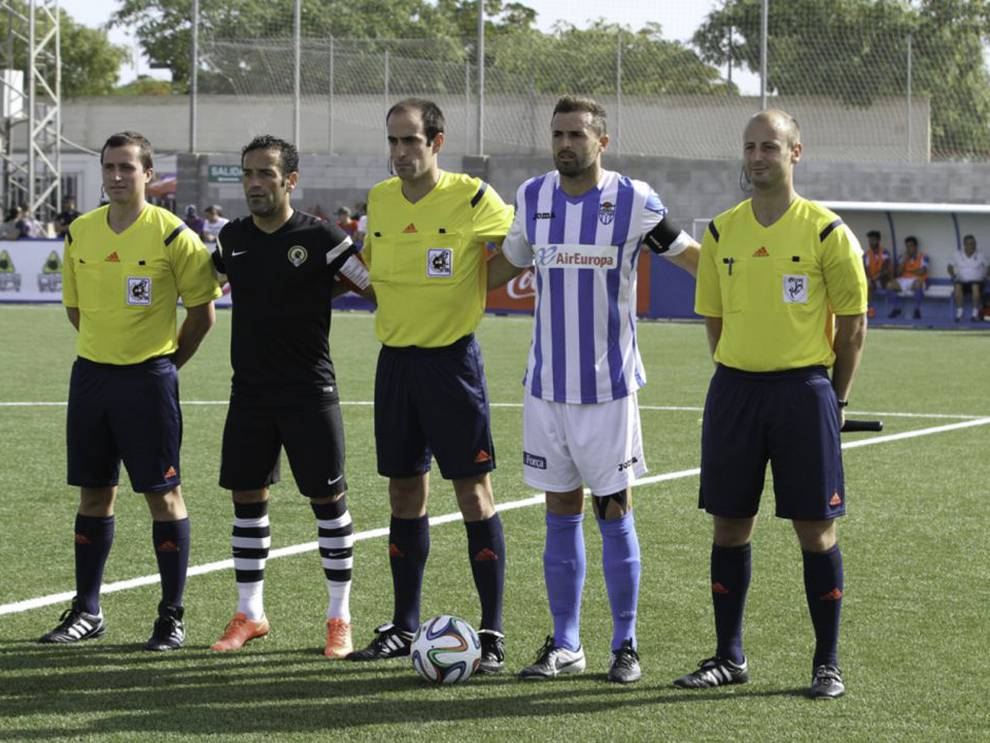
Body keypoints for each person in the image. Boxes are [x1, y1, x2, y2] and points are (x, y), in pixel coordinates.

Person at [492, 95, 701, 684]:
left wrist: (746, 291)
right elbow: (506, 263)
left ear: (601, 141)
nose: (565, 143)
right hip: (545, 388)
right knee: (559, 511)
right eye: (557, 133)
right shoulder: (532, 197)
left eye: (577, 134)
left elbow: (690, 258)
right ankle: (566, 643)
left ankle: (625, 643)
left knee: (613, 511)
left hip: (608, 391)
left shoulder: (634, 200)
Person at [675, 110, 867, 700]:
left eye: (770, 147)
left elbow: (854, 327)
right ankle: (729, 656)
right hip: (734, 390)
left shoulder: (827, 231)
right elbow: (714, 318)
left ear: (795, 153)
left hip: (804, 393)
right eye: (750, 147)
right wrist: (738, 369)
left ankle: (826, 663)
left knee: (815, 529)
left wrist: (834, 399)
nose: (758, 157)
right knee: (730, 525)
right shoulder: (721, 231)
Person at [346, 98, 513, 673]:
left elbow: (520, 247)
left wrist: (479, 281)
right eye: (393, 142)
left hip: (452, 366)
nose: (400, 153)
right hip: (396, 364)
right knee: (402, 493)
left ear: (436, 142)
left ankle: (492, 632)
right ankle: (403, 624)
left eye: (411, 141)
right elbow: (370, 269)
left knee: (473, 493)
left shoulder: (472, 195)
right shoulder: (380, 199)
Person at [39, 131, 221, 650]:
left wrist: (165, 366)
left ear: (147, 174)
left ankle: (171, 616)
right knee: (95, 492)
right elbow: (76, 310)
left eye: (127, 168)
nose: (117, 176)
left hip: (149, 380)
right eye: (109, 167)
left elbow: (202, 313)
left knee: (163, 495)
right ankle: (87, 610)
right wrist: (108, 348)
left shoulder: (172, 235)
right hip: (92, 378)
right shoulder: (80, 232)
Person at [208, 135, 373, 658]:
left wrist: (316, 291)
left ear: (290, 181)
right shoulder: (232, 238)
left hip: (309, 390)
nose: (254, 184)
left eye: (265, 175)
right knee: (247, 499)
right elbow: (204, 282)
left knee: (328, 502)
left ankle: (338, 619)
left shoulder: (321, 237)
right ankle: (249, 614)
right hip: (250, 392)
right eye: (248, 174)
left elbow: (367, 283)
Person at [886, 235, 928, 319]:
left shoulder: (924, 257)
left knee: (918, 285)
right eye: (907, 246)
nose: (909, 248)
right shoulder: (902, 257)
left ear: (915, 246)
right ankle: (897, 308)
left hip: (917, 280)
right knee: (889, 285)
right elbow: (898, 272)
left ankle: (917, 310)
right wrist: (903, 262)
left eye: (911, 246)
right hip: (904, 280)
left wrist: (909, 271)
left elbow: (922, 271)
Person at [948, 234, 988, 322]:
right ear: (964, 245)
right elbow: (949, 267)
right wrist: (954, 276)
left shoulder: (981, 254)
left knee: (975, 286)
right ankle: (960, 313)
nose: (972, 246)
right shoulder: (957, 254)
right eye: (970, 244)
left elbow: (988, 266)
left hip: (977, 281)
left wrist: (985, 276)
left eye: (974, 243)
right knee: (957, 286)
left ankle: (974, 314)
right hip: (962, 281)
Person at [862, 230, 890, 316]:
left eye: (873, 240)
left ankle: (891, 312)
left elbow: (885, 269)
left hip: (883, 280)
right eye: (869, 240)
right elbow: (866, 270)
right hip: (873, 280)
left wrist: (874, 278)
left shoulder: (885, 253)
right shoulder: (867, 254)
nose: (871, 242)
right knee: (867, 284)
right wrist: (871, 279)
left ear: (878, 240)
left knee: (885, 276)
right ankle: (869, 310)